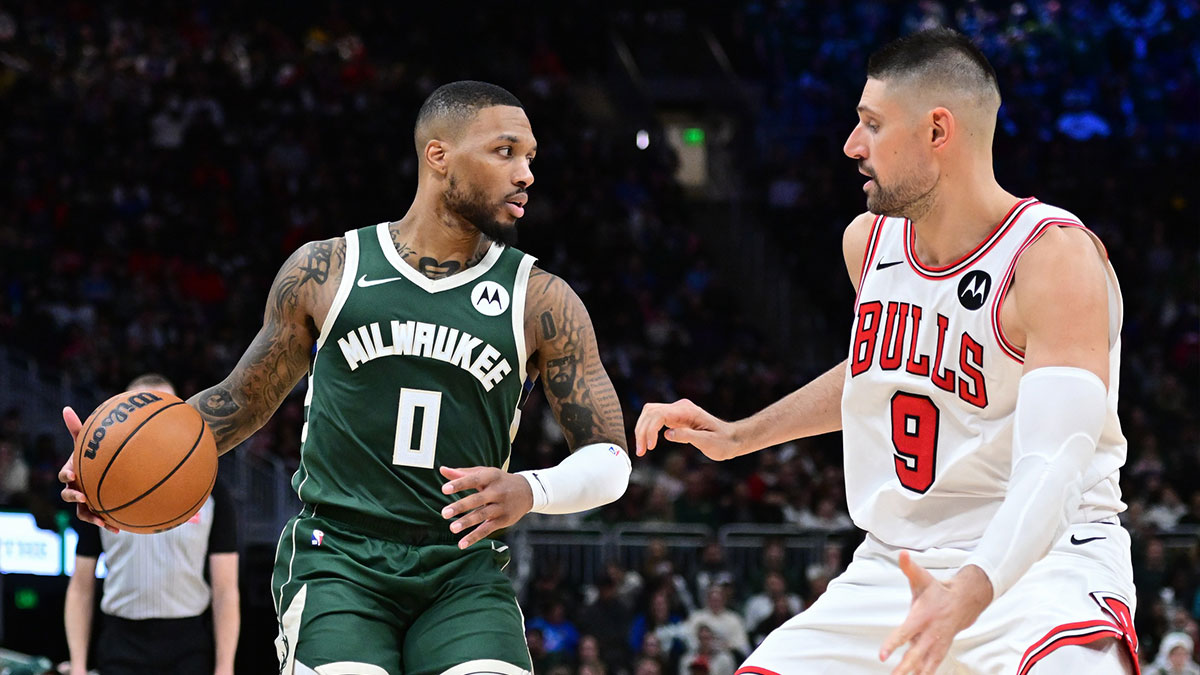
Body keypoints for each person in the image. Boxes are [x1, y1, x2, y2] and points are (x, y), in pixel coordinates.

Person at [60, 80, 631, 675]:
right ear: (438, 156)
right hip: (337, 559)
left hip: (462, 568)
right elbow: (237, 401)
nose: (525, 174)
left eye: (530, 158)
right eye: (505, 151)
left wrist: (529, 490)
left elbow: (611, 461)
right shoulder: (326, 270)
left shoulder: (542, 299)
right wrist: (118, 468)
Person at [636, 27, 1137, 674]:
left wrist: (972, 589)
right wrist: (739, 435)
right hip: (896, 565)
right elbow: (880, 369)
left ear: (937, 131)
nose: (852, 145)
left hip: (1046, 563)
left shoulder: (1050, 259)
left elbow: (1056, 459)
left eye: (871, 124)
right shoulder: (867, 243)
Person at [63, 374, 239, 675]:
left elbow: (225, 589)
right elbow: (81, 586)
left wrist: (225, 667)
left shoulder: (209, 488)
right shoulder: (97, 488)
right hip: (121, 642)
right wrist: (78, 666)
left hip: (188, 642)